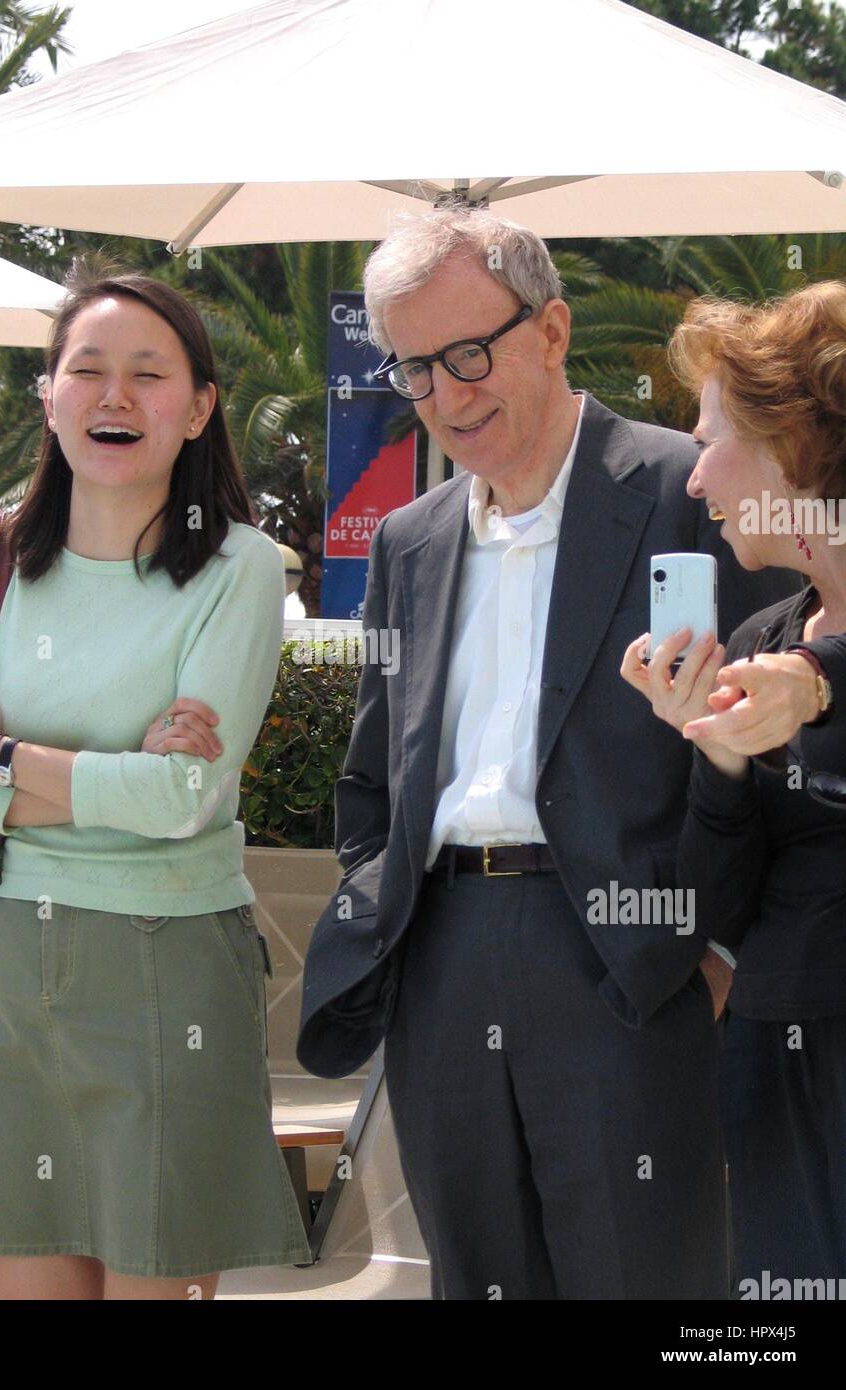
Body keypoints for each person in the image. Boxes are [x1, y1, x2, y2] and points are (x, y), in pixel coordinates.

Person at [294, 206, 798, 1300]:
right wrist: (385, 920)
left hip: (636, 964)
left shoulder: (691, 489)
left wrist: (716, 961)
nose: (445, 393)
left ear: (556, 330)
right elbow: (374, 775)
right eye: (414, 369)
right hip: (441, 957)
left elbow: (781, 741)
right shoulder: (408, 540)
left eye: (469, 352)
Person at [0, 262, 311, 1300]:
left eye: (148, 373)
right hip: (6, 975)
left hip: (170, 969)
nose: (115, 396)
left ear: (200, 406)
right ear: (48, 396)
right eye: (86, 370)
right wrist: (110, 775)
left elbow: (180, 804)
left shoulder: (242, 569)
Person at [620, 280, 846, 1290]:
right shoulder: (760, 638)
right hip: (775, 1066)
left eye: (712, 439)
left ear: (794, 443)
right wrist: (714, 753)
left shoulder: (791, 663)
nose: (698, 476)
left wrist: (811, 686)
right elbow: (713, 904)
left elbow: (820, 684)